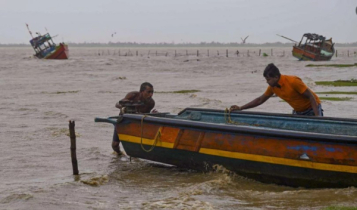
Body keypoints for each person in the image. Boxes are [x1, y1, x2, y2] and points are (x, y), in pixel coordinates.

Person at [230, 63, 323, 116]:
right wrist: (241, 108)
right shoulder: (273, 87)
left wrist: (317, 117)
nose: (267, 82)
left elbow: (311, 97)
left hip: (312, 108)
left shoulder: (293, 81)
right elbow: (260, 100)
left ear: (276, 77)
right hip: (298, 111)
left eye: (268, 79)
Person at [112, 82, 157, 155]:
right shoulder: (133, 95)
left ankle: (136, 156)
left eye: (152, 92)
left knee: (136, 143)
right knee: (115, 145)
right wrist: (124, 107)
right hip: (124, 121)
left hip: (137, 123)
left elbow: (146, 116)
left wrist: (152, 114)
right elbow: (117, 104)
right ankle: (119, 154)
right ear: (141, 91)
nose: (151, 95)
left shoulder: (151, 103)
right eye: (148, 92)